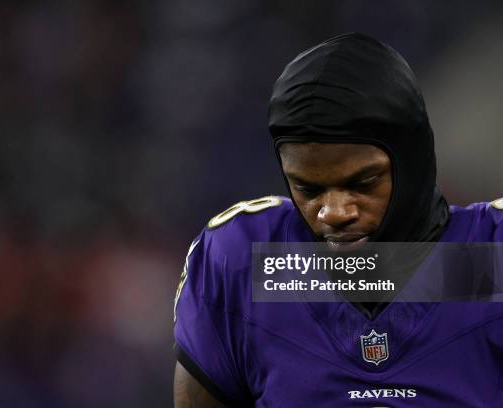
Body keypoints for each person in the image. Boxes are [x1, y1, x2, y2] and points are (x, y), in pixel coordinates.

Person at [173, 32, 503, 407]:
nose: (334, 212)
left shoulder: (493, 255)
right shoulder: (243, 259)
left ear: (414, 163)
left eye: (362, 183)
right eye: (308, 189)